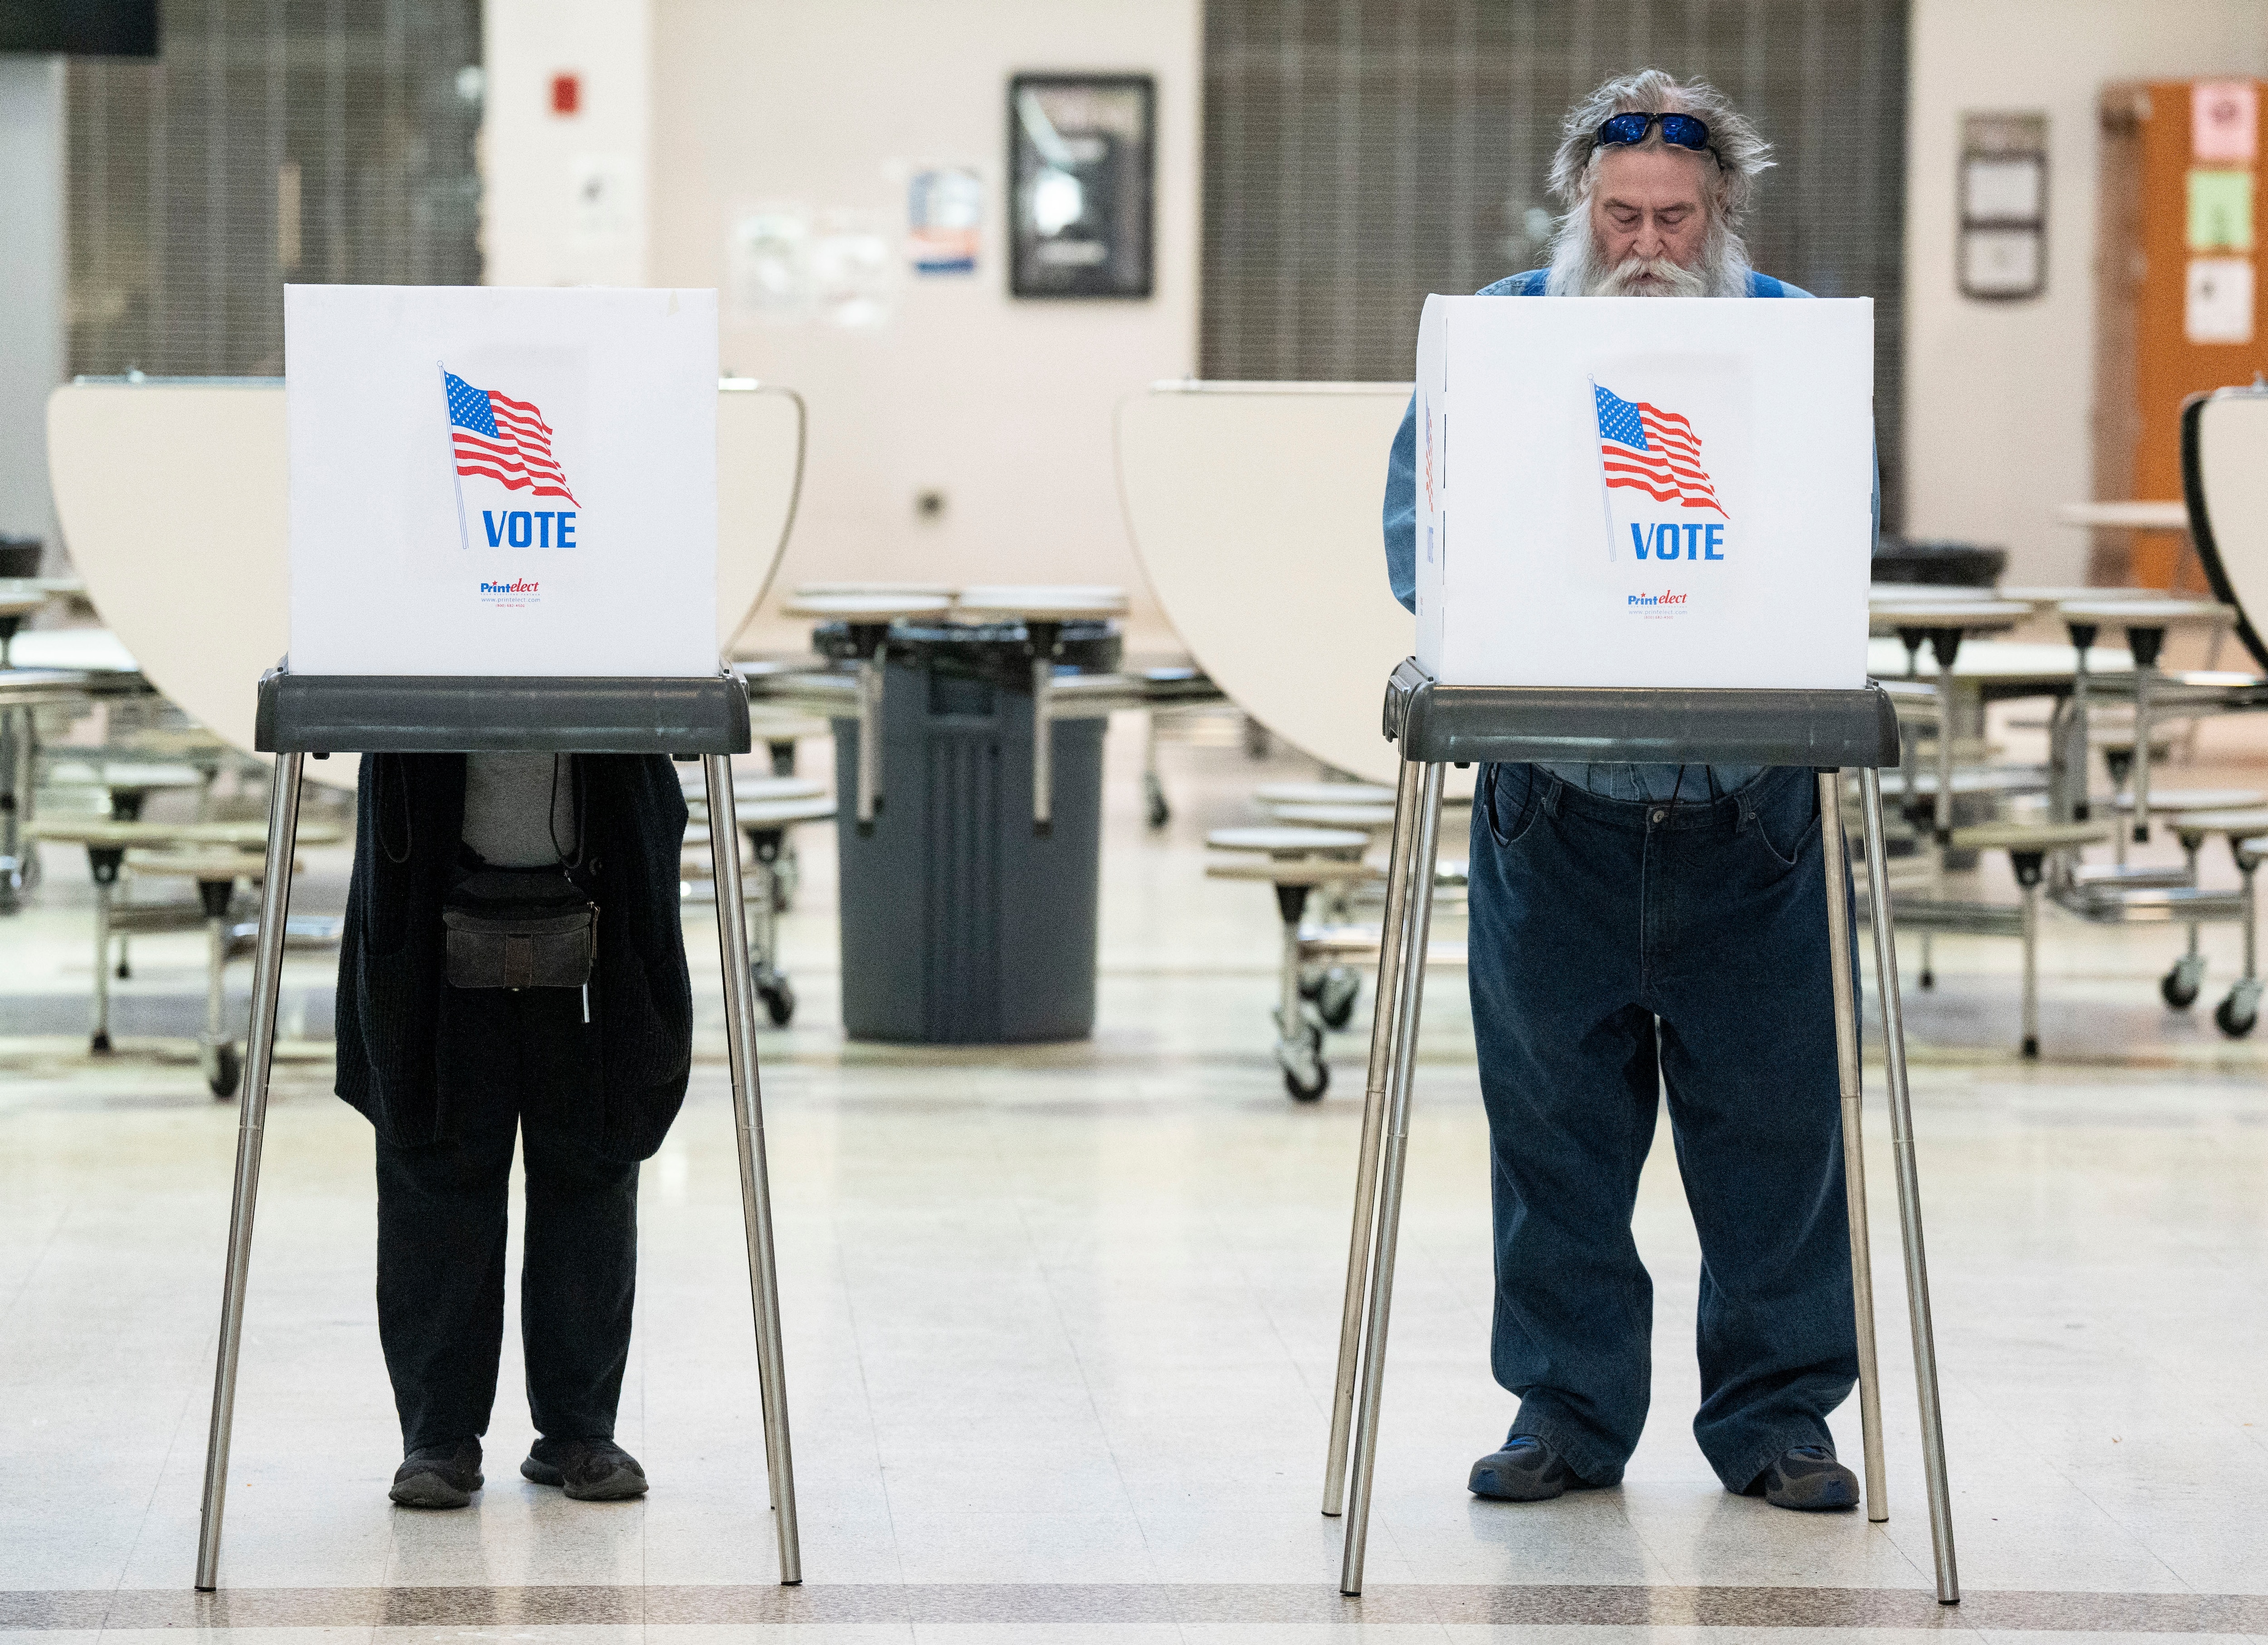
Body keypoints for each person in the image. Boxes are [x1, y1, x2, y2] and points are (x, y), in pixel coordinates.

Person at [1381, 68, 1869, 1513]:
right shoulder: (1500, 341)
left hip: (1750, 819)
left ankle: (1779, 1418)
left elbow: (1840, 539)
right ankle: (1567, 1410)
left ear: (1724, 213)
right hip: (1557, 811)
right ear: (1577, 210)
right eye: (1620, 216)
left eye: (1674, 217)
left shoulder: (1788, 345)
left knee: (1775, 1137)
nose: (1646, 244)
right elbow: (1416, 536)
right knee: (1555, 1137)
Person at [335, 750, 694, 1508]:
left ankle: (579, 1430)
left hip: (601, 893)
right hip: (429, 883)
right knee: (434, 1164)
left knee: (591, 1165)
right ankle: (438, 1436)